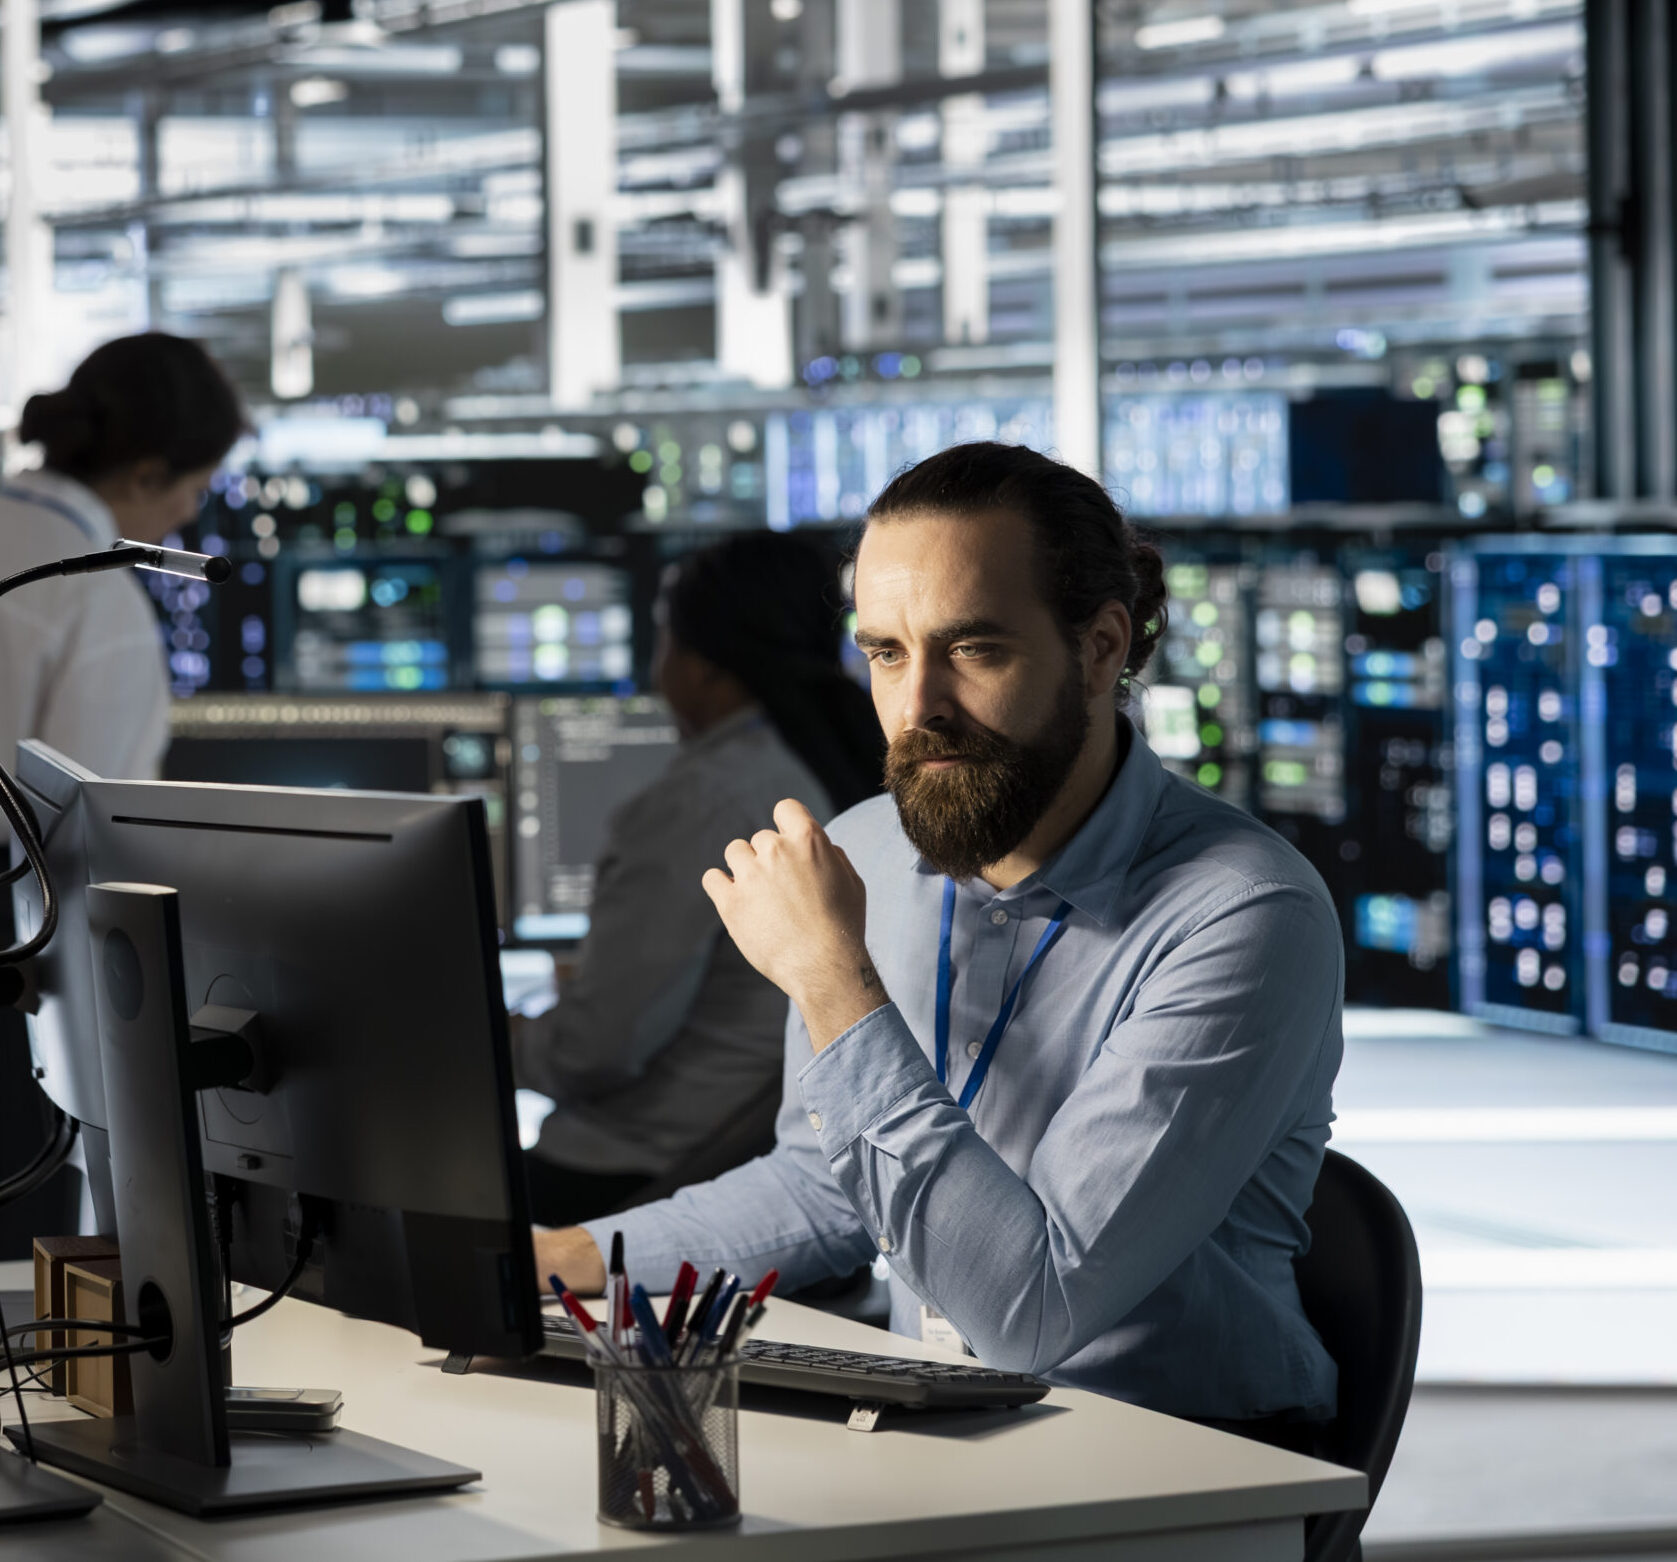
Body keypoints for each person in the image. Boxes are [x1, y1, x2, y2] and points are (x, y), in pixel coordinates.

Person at [536, 442, 1344, 1434]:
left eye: (974, 648)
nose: (917, 707)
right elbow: (827, 1187)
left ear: (1098, 649)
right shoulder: (867, 847)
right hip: (945, 1427)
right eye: (885, 651)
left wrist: (835, 979)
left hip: (1188, 1464)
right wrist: (569, 1254)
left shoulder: (1244, 912)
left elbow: (1029, 1306)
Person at [512, 532, 884, 1226]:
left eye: (662, 643)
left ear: (705, 666)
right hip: (737, 1157)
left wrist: (492, 1039)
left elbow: (596, 1051)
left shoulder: (704, 799)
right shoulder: (824, 764)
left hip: (628, 1178)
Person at [0, 332, 245, 777]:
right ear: (146, 477)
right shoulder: (102, 606)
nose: (190, 512)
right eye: (197, 491)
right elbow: (88, 831)